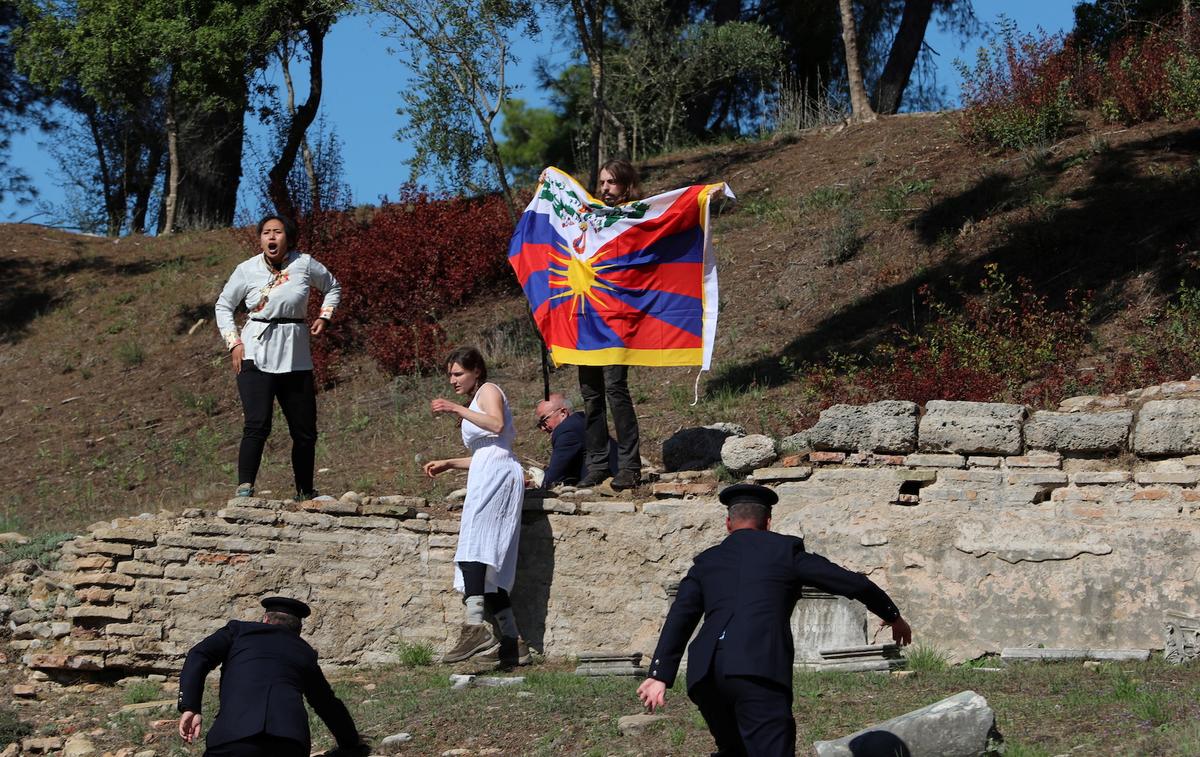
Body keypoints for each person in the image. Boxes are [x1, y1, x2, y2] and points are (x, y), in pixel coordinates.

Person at [636, 483, 913, 757]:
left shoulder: (706, 561)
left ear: (728, 523)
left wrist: (659, 675)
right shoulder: (785, 552)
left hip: (706, 675)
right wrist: (893, 616)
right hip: (756, 668)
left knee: (734, 750)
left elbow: (681, 615)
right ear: (768, 521)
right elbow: (853, 583)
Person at [215, 214, 340, 501]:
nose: (271, 237)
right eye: (266, 233)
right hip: (255, 352)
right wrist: (234, 342)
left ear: (288, 237)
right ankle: (244, 488)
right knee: (257, 423)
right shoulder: (247, 269)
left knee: (304, 429)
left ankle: (305, 492)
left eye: (278, 232)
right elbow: (223, 305)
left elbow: (333, 287)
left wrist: (325, 316)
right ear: (260, 239)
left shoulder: (304, 264)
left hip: (295, 354)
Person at [424, 346, 530, 668]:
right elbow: (486, 451)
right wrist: (449, 463)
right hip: (487, 470)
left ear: (476, 371)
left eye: (458, 373)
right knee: (485, 558)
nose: (453, 380)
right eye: (450, 375)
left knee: (474, 549)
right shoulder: (475, 400)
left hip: (497, 475)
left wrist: (454, 408)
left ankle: (474, 628)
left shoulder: (489, 390)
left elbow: (497, 425)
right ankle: (513, 642)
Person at [177, 596, 367, 757]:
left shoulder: (239, 631)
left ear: (265, 619)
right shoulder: (304, 652)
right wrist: (351, 744)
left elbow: (199, 655)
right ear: (298, 630)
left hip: (234, 738)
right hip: (288, 743)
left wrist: (190, 706)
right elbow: (326, 703)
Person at [577, 158, 643, 491]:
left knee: (616, 389)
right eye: (602, 182)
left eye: (612, 182)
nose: (605, 188)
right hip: (587, 315)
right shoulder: (591, 218)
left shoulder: (637, 217)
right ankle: (598, 465)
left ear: (626, 185)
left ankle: (630, 466)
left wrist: (703, 197)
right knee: (591, 394)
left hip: (618, 317)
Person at [534, 392, 617, 488]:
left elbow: (552, 479)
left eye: (544, 420)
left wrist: (535, 481)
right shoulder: (581, 420)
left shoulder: (566, 431)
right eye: (539, 425)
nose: (543, 428)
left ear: (563, 413)